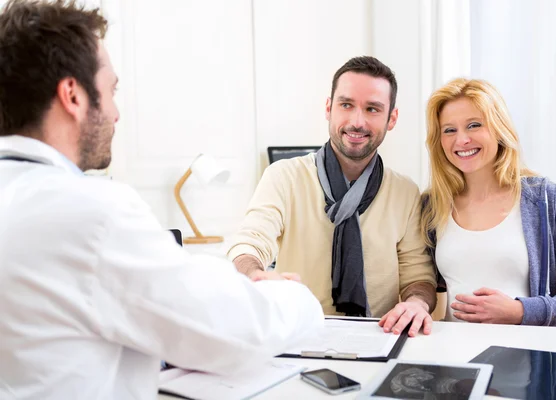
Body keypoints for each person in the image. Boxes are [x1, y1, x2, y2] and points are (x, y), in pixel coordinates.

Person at [0, 1, 323, 399]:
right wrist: (297, 296)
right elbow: (235, 335)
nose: (116, 112)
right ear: (73, 95)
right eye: (110, 90)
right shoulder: (92, 212)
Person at [228, 56, 437, 337]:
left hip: (378, 336)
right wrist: (256, 275)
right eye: (346, 105)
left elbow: (419, 277)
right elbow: (249, 243)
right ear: (329, 108)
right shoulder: (284, 176)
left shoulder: (405, 192)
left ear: (392, 119)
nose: (357, 121)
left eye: (373, 109)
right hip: (298, 334)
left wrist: (416, 304)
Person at [421, 77, 556, 326]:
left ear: (498, 129)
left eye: (474, 125)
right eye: (449, 130)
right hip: (453, 358)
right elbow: (421, 281)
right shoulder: (432, 205)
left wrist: (520, 311)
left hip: (525, 360)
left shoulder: (542, 198)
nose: (461, 140)